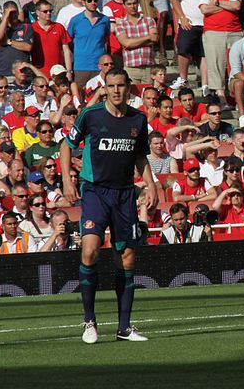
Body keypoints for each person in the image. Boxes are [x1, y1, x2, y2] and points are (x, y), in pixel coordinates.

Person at [61, 68, 158, 343]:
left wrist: (152, 185)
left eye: (121, 85)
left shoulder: (138, 119)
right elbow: (67, 146)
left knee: (126, 258)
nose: (116, 90)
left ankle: (124, 327)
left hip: (125, 194)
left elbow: (140, 156)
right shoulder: (91, 115)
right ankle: (89, 321)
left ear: (128, 87)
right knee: (90, 250)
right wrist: (69, 181)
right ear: (105, 87)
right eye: (111, 85)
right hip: (95, 192)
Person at [67, 0, 111, 89]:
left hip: (99, 66)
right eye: (89, 1)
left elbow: (106, 40)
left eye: (95, 0)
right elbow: (69, 43)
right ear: (83, 2)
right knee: (81, 97)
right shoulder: (75, 20)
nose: (93, 3)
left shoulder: (105, 20)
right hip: (81, 67)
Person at [169, 0, 208, 93]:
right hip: (189, 22)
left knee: (203, 54)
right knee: (183, 49)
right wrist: (182, 17)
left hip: (207, 23)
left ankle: (205, 84)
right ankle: (183, 79)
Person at [115, 0, 158, 84]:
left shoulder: (149, 20)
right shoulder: (121, 24)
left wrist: (132, 41)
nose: (132, 6)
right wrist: (147, 37)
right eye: (129, 4)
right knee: (133, 97)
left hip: (149, 67)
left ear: (138, 4)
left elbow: (154, 38)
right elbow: (127, 43)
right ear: (124, 5)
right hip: (131, 68)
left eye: (134, 3)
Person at [31, 0, 73, 79]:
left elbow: (66, 50)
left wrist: (69, 71)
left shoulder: (59, 27)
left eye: (50, 11)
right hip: (40, 73)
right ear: (37, 13)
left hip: (58, 72)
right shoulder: (32, 28)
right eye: (45, 11)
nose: (49, 13)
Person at [0, 1, 34, 77]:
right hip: (4, 74)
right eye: (10, 13)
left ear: (18, 12)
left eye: (14, 12)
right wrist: (5, 17)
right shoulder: (1, 28)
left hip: (22, 74)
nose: (13, 15)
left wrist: (8, 41)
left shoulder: (26, 27)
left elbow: (28, 47)